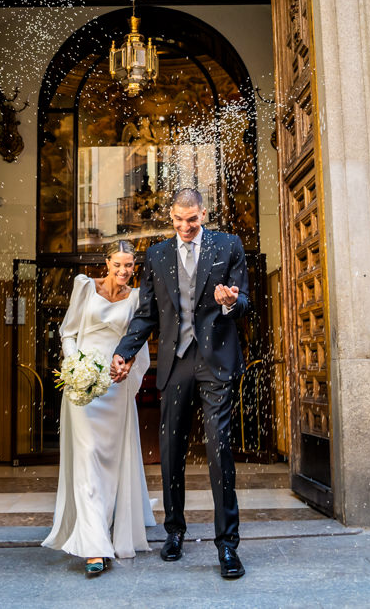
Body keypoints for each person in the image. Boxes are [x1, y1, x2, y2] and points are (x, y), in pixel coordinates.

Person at [111, 188, 251, 580]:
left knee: (219, 448)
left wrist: (229, 301)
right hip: (175, 363)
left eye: (192, 220)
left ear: (203, 214)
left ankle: (228, 545)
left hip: (216, 362)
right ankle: (174, 531)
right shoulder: (156, 255)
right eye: (178, 220)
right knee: (171, 449)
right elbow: (146, 316)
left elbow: (244, 305)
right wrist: (124, 351)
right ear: (170, 216)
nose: (185, 227)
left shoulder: (228, 246)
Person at [42, 241, 156, 575]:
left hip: (115, 386)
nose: (123, 272)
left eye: (129, 266)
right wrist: (75, 364)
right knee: (88, 455)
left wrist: (128, 366)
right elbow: (68, 333)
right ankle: (94, 545)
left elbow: (138, 343)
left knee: (110, 463)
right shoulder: (85, 287)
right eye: (117, 265)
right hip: (82, 386)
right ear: (106, 262)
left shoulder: (136, 299)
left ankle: (106, 528)